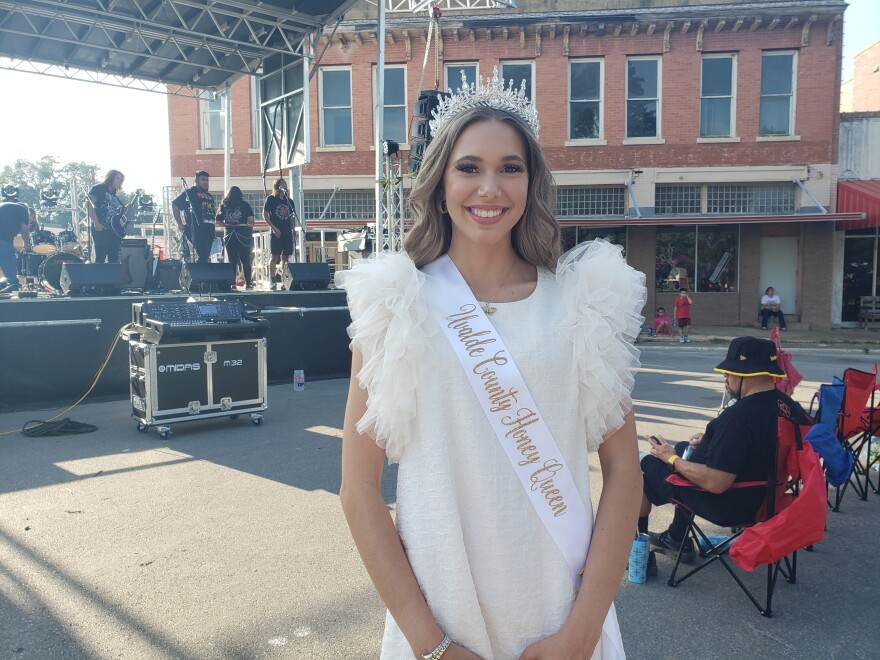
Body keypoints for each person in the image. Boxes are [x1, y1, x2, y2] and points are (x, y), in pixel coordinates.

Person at [337, 69, 645, 659]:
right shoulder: (396, 308)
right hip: (439, 625)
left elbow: (624, 472)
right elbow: (359, 491)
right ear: (440, 181)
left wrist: (581, 633)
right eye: (469, 167)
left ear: (531, 181)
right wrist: (432, 647)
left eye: (511, 167)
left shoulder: (582, 306)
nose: (490, 188)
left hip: (561, 623)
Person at [638, 336, 809, 576]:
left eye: (728, 374)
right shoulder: (789, 407)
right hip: (768, 498)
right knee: (689, 446)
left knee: (639, 462)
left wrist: (671, 458)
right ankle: (677, 539)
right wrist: (710, 442)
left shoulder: (738, 417)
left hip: (729, 506)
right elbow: (757, 446)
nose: (726, 380)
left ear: (744, 375)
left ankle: (639, 556)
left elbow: (716, 483)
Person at [172, 171, 217, 263]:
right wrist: (179, 223)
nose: (206, 182)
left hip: (209, 229)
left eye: (207, 180)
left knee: (206, 255)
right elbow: (175, 205)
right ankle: (200, 275)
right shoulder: (190, 192)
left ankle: (202, 274)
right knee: (202, 254)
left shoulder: (209, 196)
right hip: (196, 229)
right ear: (196, 181)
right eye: (203, 180)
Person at [215, 186, 255, 289]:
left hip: (229, 234)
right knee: (245, 259)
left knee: (232, 260)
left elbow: (218, 221)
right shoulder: (245, 205)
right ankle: (248, 283)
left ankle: (232, 283)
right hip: (242, 234)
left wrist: (227, 225)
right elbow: (251, 220)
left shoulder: (224, 205)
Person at [263, 178, 296, 288]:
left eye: (284, 183)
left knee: (286, 257)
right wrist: (273, 228)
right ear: (276, 186)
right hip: (276, 231)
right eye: (281, 184)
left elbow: (291, 218)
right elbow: (265, 214)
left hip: (287, 232)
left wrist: (292, 231)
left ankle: (284, 281)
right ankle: (272, 281)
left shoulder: (289, 201)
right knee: (275, 256)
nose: (283, 185)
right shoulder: (271, 199)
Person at [88, 169, 126, 263]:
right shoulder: (99, 188)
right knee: (100, 257)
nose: (119, 182)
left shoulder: (114, 194)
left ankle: (111, 278)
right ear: (111, 177)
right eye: (117, 178)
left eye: (121, 180)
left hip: (113, 231)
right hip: (101, 228)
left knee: (113, 258)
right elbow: (88, 204)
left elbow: (115, 214)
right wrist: (96, 223)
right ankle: (98, 277)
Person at [0, 201, 29, 290]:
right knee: (10, 267)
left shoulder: (6, 207)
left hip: (3, 238)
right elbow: (24, 230)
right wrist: (26, 245)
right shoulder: (23, 210)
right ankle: (12, 284)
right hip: (3, 239)